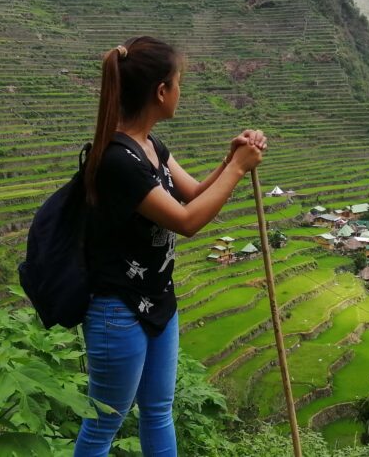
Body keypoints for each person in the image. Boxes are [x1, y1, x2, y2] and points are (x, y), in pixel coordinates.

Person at [75, 36, 266, 456]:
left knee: (158, 409)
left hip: (158, 298)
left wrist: (230, 157)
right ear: (161, 91)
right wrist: (238, 168)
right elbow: (187, 221)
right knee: (105, 420)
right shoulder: (116, 160)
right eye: (179, 82)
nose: (181, 91)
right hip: (117, 308)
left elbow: (193, 193)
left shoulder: (152, 147)